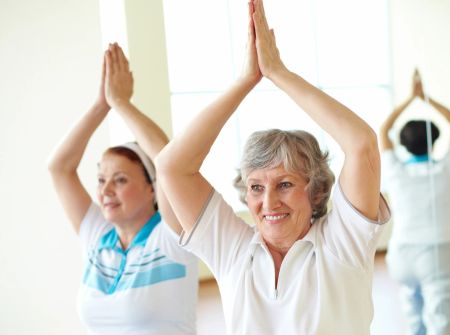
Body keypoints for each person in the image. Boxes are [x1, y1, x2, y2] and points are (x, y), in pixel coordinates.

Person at [155, 1, 390, 334]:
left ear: (318, 189)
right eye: (256, 187)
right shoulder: (233, 249)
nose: (268, 203)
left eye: (285, 184)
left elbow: (362, 144)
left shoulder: (342, 241)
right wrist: (243, 82)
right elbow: (171, 166)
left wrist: (278, 73)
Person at [47, 44, 198, 335]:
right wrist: (101, 104)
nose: (105, 191)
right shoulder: (98, 234)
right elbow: (59, 167)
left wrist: (121, 103)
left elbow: (166, 160)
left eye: (120, 180)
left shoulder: (171, 235)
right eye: (101, 180)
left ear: (152, 187)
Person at [379, 69, 450, 335]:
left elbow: (384, 129)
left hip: (401, 255)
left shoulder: (395, 170)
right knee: (440, 322)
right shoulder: (446, 167)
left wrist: (410, 99)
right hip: (436, 253)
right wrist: (426, 99)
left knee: (415, 319)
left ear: (403, 144)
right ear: (434, 140)